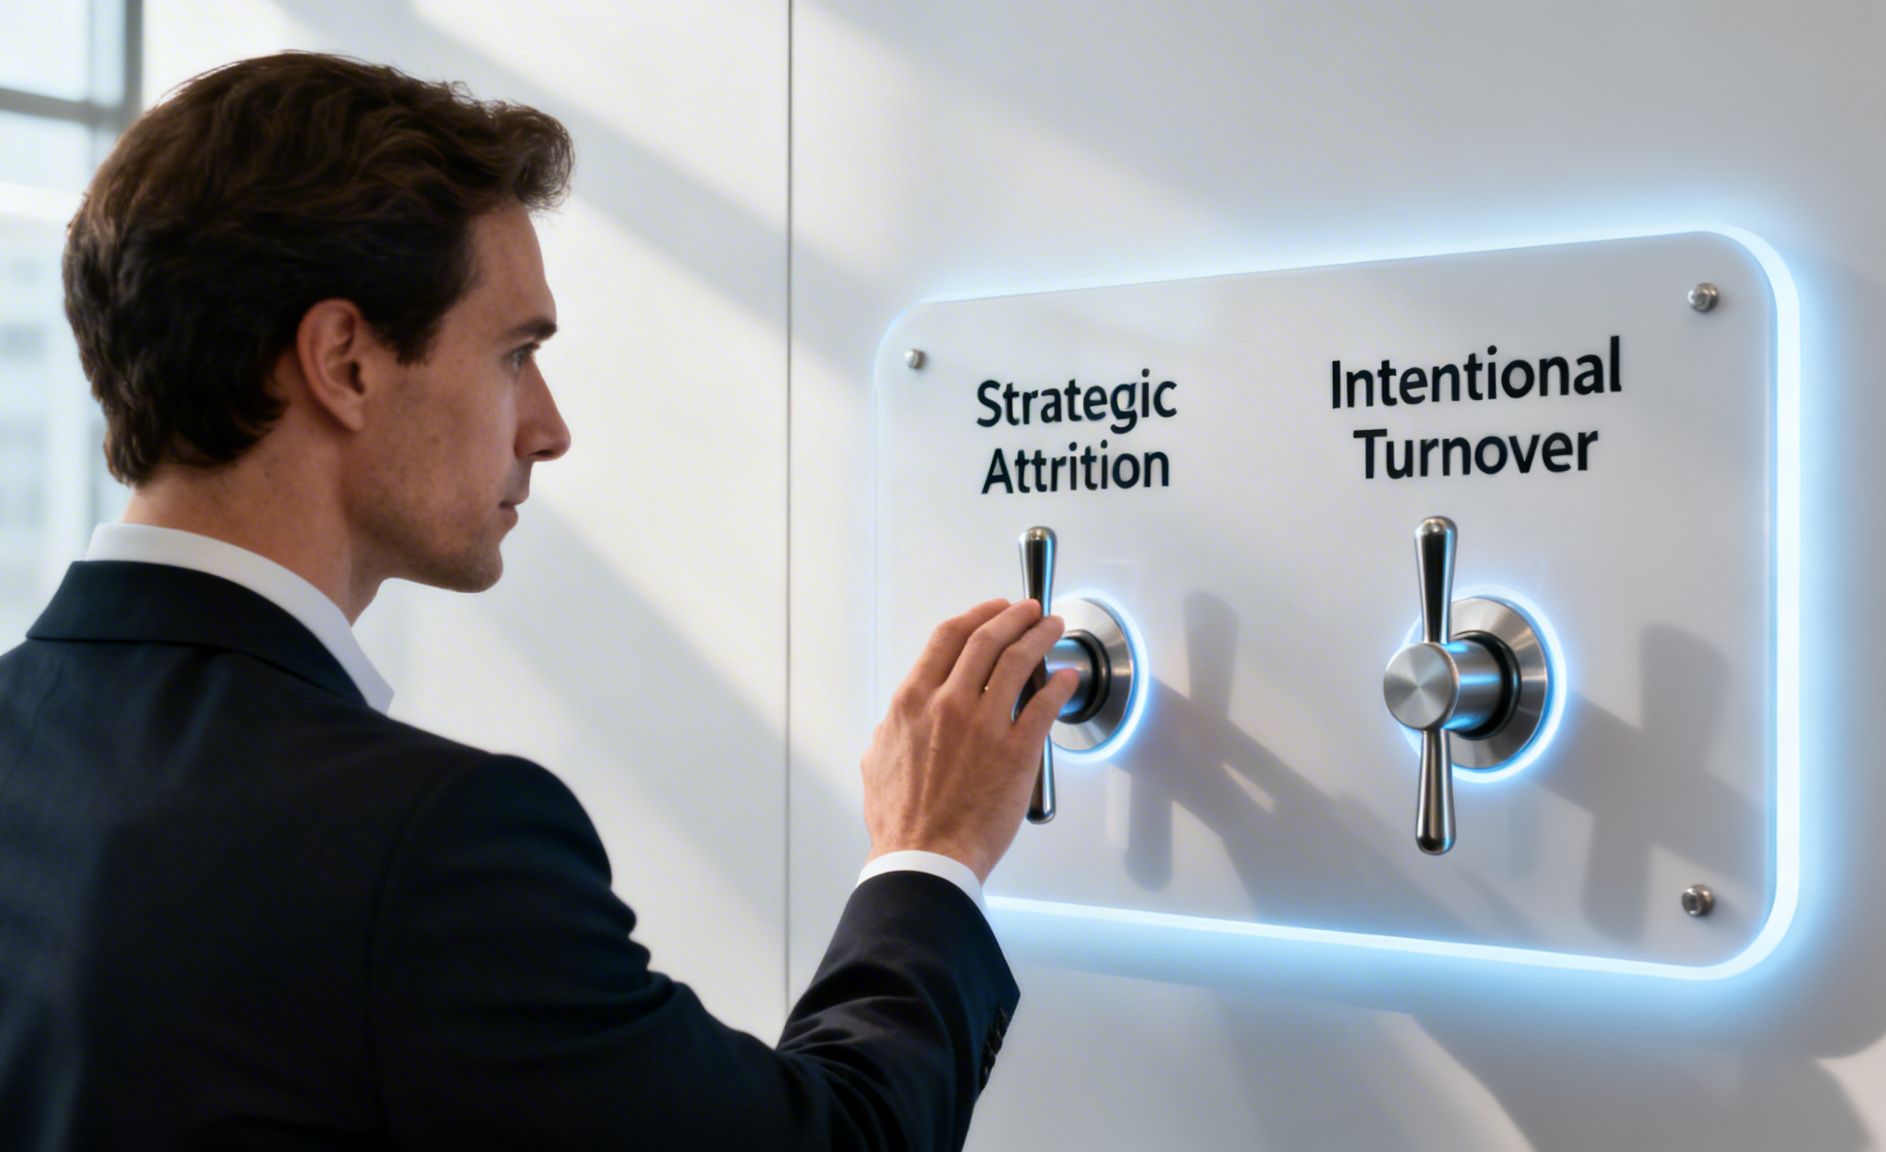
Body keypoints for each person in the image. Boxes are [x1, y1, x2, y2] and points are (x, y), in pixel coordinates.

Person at [0, 51, 1078, 1150]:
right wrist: (928, 854)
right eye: (516, 354)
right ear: (345, 362)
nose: (549, 428)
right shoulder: (425, 850)